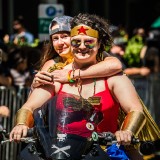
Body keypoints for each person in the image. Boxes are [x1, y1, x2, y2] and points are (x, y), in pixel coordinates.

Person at [9, 13, 149, 160]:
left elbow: (135, 109)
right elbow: (28, 107)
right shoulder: (57, 75)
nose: (82, 47)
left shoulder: (114, 77)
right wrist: (21, 124)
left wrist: (126, 131)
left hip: (103, 153)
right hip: (59, 152)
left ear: (99, 43)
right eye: (76, 42)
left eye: (88, 42)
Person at [30, 15, 122, 89]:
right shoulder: (52, 64)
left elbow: (116, 65)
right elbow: (33, 102)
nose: (60, 43)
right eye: (55, 38)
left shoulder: (94, 55)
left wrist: (71, 75)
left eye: (64, 36)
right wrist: (34, 86)